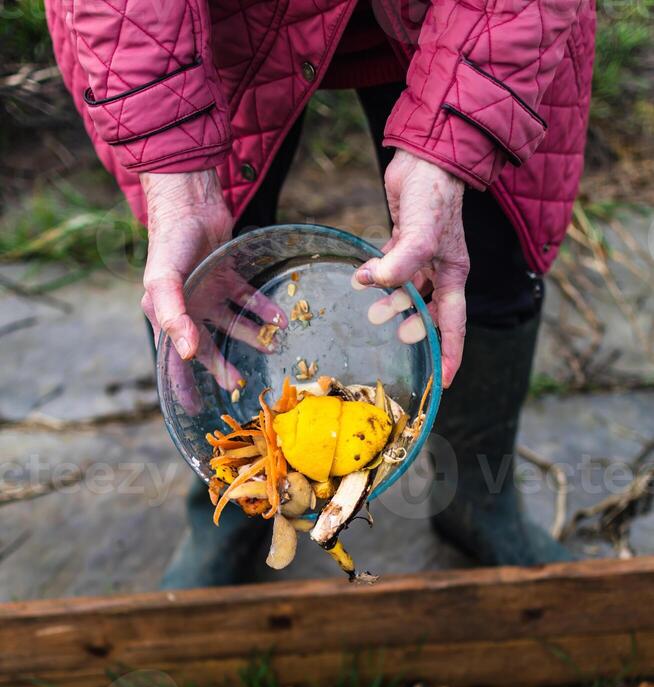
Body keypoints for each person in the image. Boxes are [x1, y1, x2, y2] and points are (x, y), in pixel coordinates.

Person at [45, 0, 595, 586]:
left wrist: (454, 145)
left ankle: (479, 502)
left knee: (478, 261)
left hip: (473, 23)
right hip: (199, 33)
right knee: (201, 286)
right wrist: (172, 168)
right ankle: (239, 497)